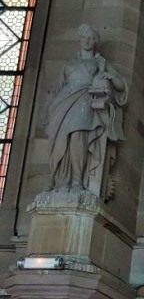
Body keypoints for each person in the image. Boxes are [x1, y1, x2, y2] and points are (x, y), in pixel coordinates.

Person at [43, 24, 127, 191]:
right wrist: (48, 106)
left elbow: (120, 85)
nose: (87, 40)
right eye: (84, 37)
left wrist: (108, 76)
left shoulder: (99, 62)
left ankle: (77, 181)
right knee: (61, 141)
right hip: (64, 101)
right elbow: (58, 86)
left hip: (85, 99)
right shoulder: (70, 63)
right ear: (80, 39)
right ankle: (60, 179)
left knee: (78, 136)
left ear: (95, 41)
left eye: (91, 37)